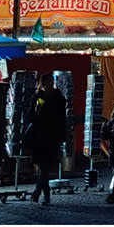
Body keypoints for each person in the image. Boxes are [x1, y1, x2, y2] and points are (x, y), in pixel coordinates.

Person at [28, 73, 67, 206]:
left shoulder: (57, 97)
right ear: (43, 83)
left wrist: (62, 134)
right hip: (39, 135)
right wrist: (37, 112)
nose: (50, 84)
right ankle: (43, 193)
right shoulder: (37, 96)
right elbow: (31, 117)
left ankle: (40, 191)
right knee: (42, 166)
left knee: (45, 166)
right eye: (48, 81)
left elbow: (62, 117)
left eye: (51, 81)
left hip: (51, 135)